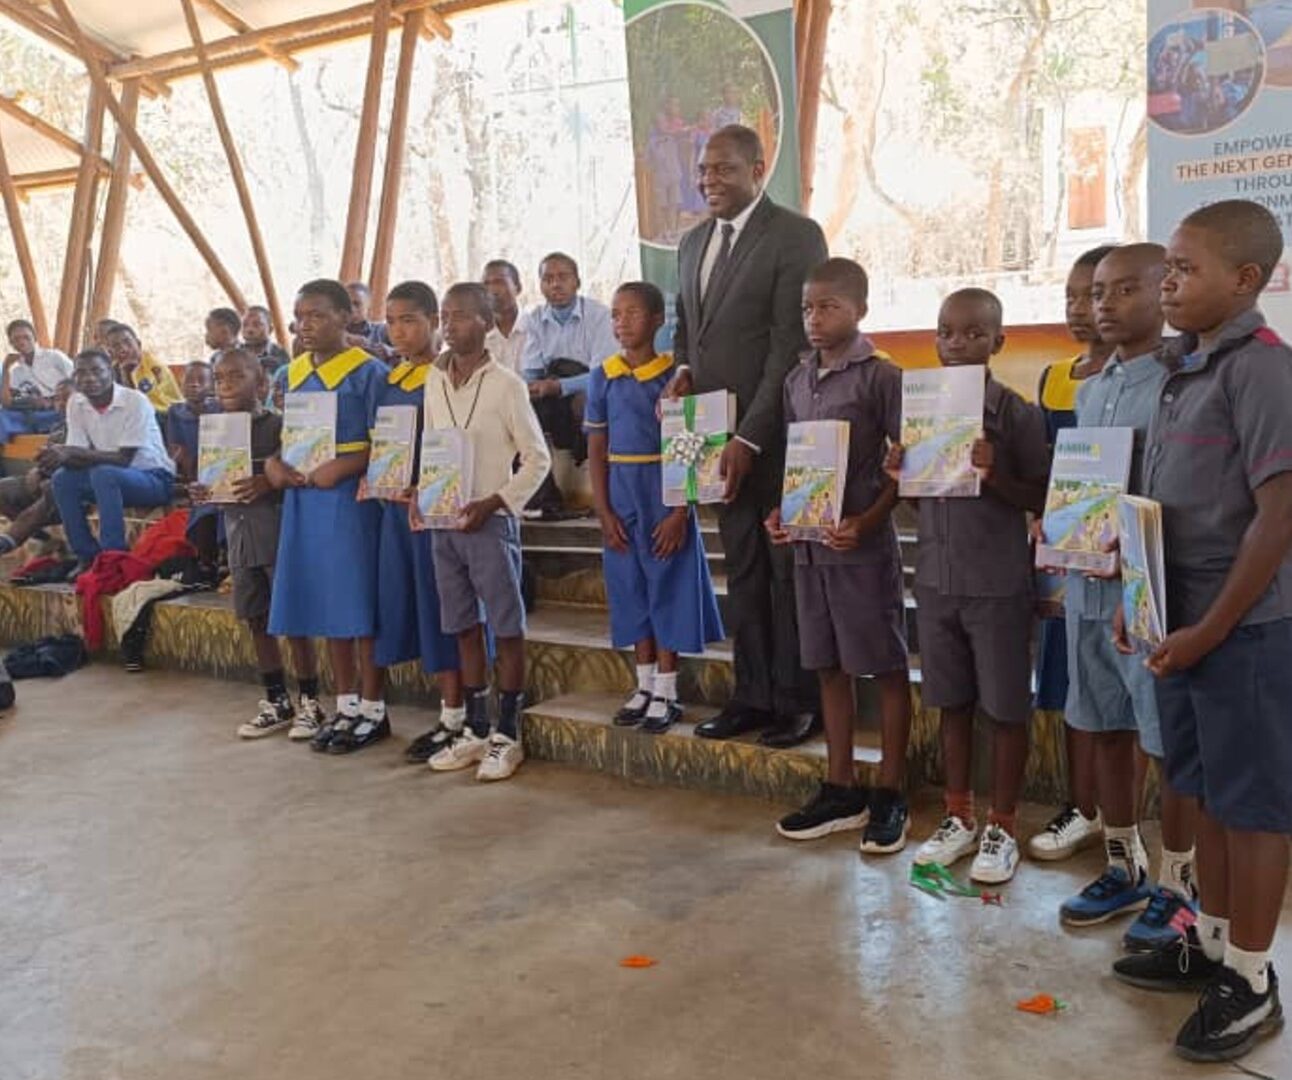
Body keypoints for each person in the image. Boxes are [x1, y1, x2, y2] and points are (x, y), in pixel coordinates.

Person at [1108, 200, 1292, 1064]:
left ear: (1246, 281)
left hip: (1244, 630)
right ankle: (1213, 943)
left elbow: (1277, 516)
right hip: (1181, 623)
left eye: (1185, 269)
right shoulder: (1185, 368)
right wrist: (1138, 602)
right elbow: (1160, 505)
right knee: (1209, 794)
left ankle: (1252, 979)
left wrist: (1214, 628)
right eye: (1168, 269)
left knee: (1251, 809)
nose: (1169, 283)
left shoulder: (1260, 370)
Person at [1042, 245, 1198, 952]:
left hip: (1147, 592)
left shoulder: (1179, 379)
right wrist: (1062, 537)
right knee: (1103, 724)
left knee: (1165, 741)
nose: (1103, 305)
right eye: (1096, 292)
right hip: (1085, 584)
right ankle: (1122, 859)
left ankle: (1180, 882)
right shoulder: (1090, 384)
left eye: (1122, 289)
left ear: (1162, 291)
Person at [664, 123, 828, 749]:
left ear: (758, 169)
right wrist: (682, 372)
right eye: (704, 170)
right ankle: (751, 696)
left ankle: (797, 701)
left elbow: (790, 345)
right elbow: (690, 329)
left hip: (776, 437)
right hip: (710, 440)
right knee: (745, 571)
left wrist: (752, 437)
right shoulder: (690, 243)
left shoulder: (794, 235)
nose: (710, 180)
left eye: (724, 169)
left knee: (788, 573)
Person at [885, 288, 1050, 884]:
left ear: (998, 342)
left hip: (998, 585)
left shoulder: (1015, 414)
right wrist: (901, 477)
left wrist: (994, 472)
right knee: (951, 703)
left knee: (1004, 709)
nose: (957, 344)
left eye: (973, 333)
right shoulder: (921, 414)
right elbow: (914, 508)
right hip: (935, 582)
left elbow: (1040, 497)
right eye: (946, 332)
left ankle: (1002, 825)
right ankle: (958, 816)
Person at [765, 258, 912, 852]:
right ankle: (841, 784)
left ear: (860, 309)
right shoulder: (796, 381)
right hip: (810, 548)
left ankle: (891, 790)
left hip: (862, 550)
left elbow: (906, 464)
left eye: (829, 306)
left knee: (884, 665)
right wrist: (783, 513)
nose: (815, 318)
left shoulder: (881, 378)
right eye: (807, 307)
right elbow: (797, 462)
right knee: (827, 664)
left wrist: (869, 520)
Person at [422, 283, 551, 782]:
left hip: (490, 521)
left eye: (459, 316)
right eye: (443, 315)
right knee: (462, 625)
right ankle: (475, 728)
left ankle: (507, 732)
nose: (448, 325)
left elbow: (537, 458)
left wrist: (497, 501)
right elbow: (435, 445)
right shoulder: (434, 381)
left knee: (506, 625)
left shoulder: (506, 384)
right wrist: (423, 494)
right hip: (445, 520)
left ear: (485, 321)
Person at [586, 281, 723, 735]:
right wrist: (603, 510)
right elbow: (597, 444)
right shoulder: (602, 376)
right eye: (616, 314)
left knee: (668, 583)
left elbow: (688, 445)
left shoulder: (674, 379)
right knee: (630, 587)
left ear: (659, 320)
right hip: (620, 493)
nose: (622, 322)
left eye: (633, 313)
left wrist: (680, 512)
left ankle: (667, 687)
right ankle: (642, 684)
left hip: (663, 492)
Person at [265, 280, 389, 753]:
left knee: (357, 604)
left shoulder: (368, 373)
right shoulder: (293, 374)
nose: (305, 325)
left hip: (349, 499)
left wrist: (346, 464)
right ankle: (347, 703)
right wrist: (275, 465)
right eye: (299, 316)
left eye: (317, 315)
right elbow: (288, 437)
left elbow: (391, 445)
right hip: (304, 500)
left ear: (345, 317)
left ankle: (375, 708)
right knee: (327, 606)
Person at [1028, 244, 1118, 862]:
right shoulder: (1055, 376)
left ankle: (1119, 819)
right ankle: (1079, 806)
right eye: (1071, 296)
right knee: (1068, 683)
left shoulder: (1157, 374)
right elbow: (1043, 467)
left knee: (1121, 690)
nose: (1082, 308)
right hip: (1065, 559)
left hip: (1122, 559)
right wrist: (1039, 521)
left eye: (1095, 294)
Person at [190, 348, 325, 740]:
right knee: (256, 618)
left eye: (236, 376)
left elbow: (300, 470)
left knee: (293, 618)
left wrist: (268, 481)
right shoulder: (215, 430)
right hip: (239, 536)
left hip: (277, 532)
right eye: (220, 378)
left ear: (261, 384)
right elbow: (219, 485)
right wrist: (205, 490)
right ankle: (277, 699)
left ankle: (310, 702)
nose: (226, 385)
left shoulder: (280, 426)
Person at [371, 281, 480, 764]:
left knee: (446, 610)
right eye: (392, 322)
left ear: (435, 322)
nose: (399, 331)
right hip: (397, 513)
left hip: (439, 510)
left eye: (410, 320)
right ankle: (445, 709)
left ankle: (459, 713)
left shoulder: (445, 376)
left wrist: (429, 487)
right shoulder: (390, 380)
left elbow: (455, 442)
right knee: (414, 605)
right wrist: (379, 479)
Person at [42, 349, 176, 575]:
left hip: (154, 479)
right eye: (81, 373)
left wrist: (69, 451)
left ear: (110, 373)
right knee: (62, 479)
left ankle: (113, 556)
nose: (89, 378)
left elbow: (123, 459)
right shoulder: (76, 402)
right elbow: (79, 453)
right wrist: (56, 457)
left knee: (104, 473)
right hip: (110, 479)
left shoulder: (135, 401)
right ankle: (86, 555)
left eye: (97, 371)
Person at [519, 252, 617, 517]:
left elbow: (603, 374)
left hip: (591, 390)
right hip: (552, 390)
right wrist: (531, 388)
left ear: (577, 282)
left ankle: (604, 496)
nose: (555, 284)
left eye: (563, 277)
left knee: (587, 400)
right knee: (519, 411)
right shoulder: (533, 319)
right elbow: (530, 371)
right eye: (548, 279)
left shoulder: (599, 316)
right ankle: (545, 499)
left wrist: (559, 387)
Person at [0, 378, 73, 555]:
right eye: (57, 399)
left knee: (51, 487)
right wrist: (38, 471)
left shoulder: (91, 425)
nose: (62, 404)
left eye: (67, 398)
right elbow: (44, 460)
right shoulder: (57, 429)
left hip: (68, 484)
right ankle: (46, 540)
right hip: (45, 479)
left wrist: (44, 474)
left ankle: (9, 540)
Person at [165, 360, 221, 567]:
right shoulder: (175, 412)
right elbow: (176, 450)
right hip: (191, 473)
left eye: (201, 380)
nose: (194, 385)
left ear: (213, 385)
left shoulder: (221, 409)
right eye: (189, 380)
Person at [1, 320, 72, 444]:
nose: (22, 342)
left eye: (26, 337)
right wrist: (6, 368)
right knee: (3, 416)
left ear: (35, 338)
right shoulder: (17, 371)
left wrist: (55, 400)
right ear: (11, 343)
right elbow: (6, 402)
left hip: (61, 410)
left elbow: (77, 382)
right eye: (16, 339)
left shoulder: (54, 357)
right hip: (34, 413)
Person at [105, 323, 183, 413]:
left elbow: (141, 405)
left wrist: (126, 375)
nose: (123, 349)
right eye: (116, 346)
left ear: (138, 344)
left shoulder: (154, 368)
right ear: (110, 352)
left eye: (128, 342)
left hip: (165, 416)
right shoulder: (111, 371)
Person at [482, 260, 528, 375]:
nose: (493, 290)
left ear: (518, 288)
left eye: (500, 282)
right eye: (486, 284)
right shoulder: (479, 337)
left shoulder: (535, 328)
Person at [344, 281, 397, 362]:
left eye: (357, 304)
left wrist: (390, 351)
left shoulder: (382, 330)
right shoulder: (333, 332)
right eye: (346, 304)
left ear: (368, 306)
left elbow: (410, 349)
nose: (351, 309)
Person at [241, 305, 291, 376]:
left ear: (270, 329)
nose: (250, 330)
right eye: (245, 325)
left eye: (256, 325)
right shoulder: (235, 354)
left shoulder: (280, 355)